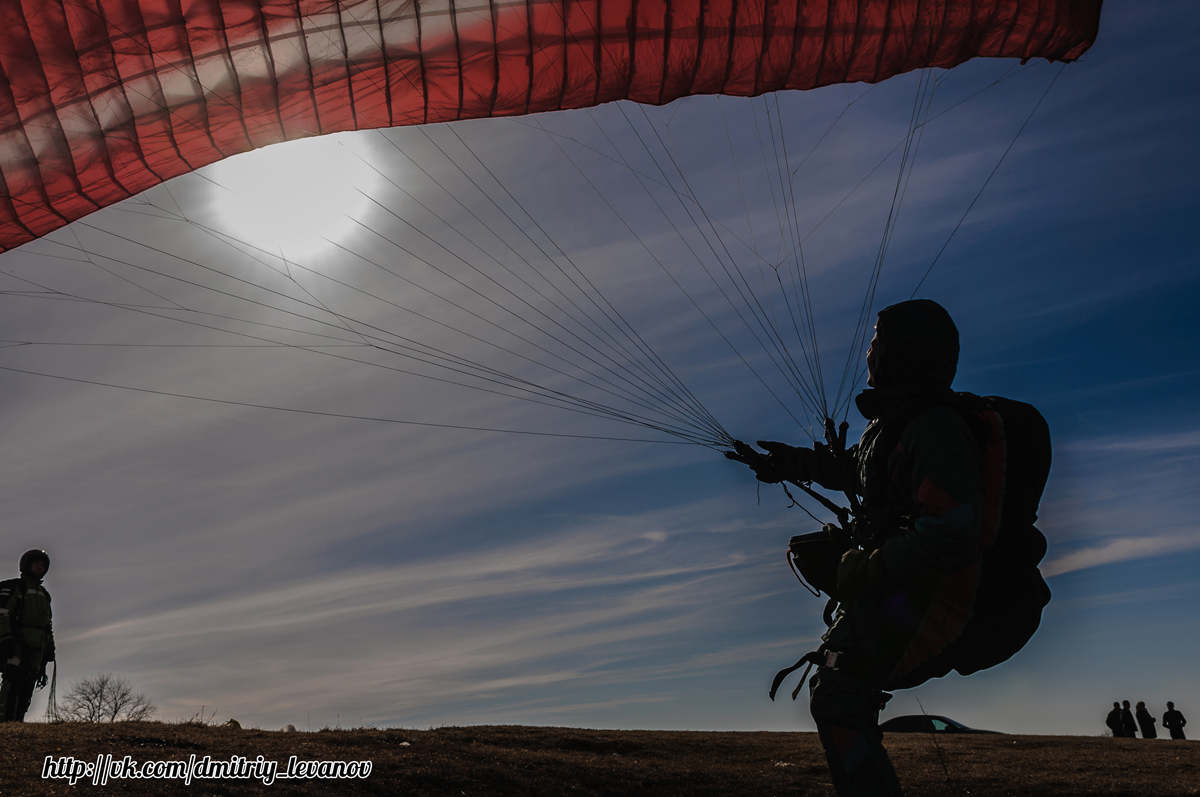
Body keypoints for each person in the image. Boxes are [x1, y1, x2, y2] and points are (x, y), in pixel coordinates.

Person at [728, 299, 984, 797]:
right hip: (901, 588)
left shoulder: (933, 426)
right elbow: (864, 473)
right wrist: (793, 464)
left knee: (839, 694)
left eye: (875, 343)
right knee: (835, 693)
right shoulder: (897, 424)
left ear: (899, 355)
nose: (867, 354)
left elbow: (953, 528)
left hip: (924, 593)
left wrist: (868, 567)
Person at [0, 550, 55, 722]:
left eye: (43, 565)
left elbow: (48, 624)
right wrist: (5, 639)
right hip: (17, 642)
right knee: (12, 681)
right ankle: (4, 722)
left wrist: (50, 647)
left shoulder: (45, 595)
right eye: (36, 564)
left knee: (28, 684)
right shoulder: (18, 587)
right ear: (26, 565)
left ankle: (18, 721)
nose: (40, 567)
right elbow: (3, 613)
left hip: (37, 646)